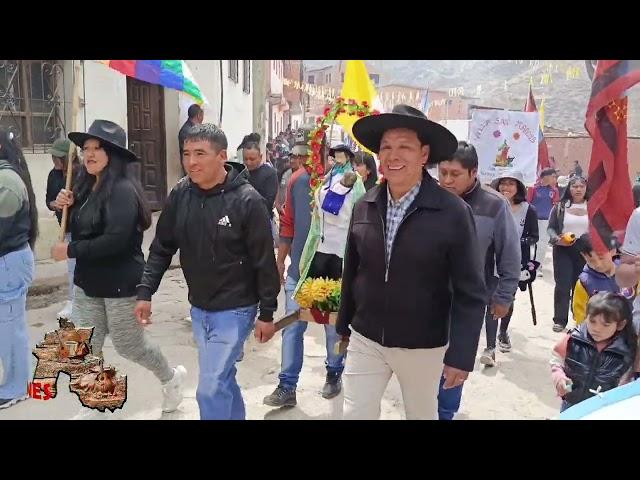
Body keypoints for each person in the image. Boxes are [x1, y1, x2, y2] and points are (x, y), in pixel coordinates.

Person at [336, 105, 487, 420]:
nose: (393, 155)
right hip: (366, 339)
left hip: (423, 345)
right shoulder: (365, 204)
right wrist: (344, 326)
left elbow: (470, 291)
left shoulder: (453, 212)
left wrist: (461, 354)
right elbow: (353, 270)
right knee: (353, 413)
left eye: (404, 146)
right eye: (386, 147)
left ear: (424, 154)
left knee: (421, 414)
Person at [134, 123, 280, 420]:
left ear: (222, 156)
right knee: (222, 378)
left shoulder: (248, 201)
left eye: (200, 153)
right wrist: (146, 291)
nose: (191, 162)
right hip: (199, 307)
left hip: (236, 308)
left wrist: (267, 312)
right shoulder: (181, 195)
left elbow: (264, 261)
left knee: (209, 387)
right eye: (187, 153)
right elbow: (162, 247)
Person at [51, 120, 186, 413]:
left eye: (97, 147)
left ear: (113, 154)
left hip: (120, 284)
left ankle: (171, 378)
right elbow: (77, 227)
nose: (89, 153)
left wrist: (71, 250)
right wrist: (63, 208)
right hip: (88, 283)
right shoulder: (84, 186)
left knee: (130, 345)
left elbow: (114, 240)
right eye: (86, 147)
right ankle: (94, 402)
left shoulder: (123, 191)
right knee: (86, 346)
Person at [436, 143, 521, 419]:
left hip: (466, 303)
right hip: (428, 297)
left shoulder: (494, 206)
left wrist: (504, 297)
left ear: (474, 172)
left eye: (455, 174)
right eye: (443, 172)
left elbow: (509, 255)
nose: (447, 181)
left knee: (453, 366)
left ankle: (445, 414)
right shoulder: (433, 198)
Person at [0, 128, 38, 409]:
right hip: (7, 261)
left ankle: (17, 387)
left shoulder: (7, 180)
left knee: (11, 329)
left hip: (9, 263)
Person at [550, 291, 637, 412]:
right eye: (592, 321)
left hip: (602, 409)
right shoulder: (574, 339)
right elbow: (556, 359)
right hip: (571, 403)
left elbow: (625, 382)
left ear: (620, 325)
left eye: (606, 324)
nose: (597, 329)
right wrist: (559, 378)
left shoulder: (626, 351)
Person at [491, 170, 539, 353]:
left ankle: (502, 331)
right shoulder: (492, 206)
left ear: (518, 187)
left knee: (508, 296)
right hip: (491, 258)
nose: (506, 187)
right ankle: (489, 338)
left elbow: (534, 236)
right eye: (503, 183)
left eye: (511, 183)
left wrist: (513, 242)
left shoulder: (529, 210)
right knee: (490, 295)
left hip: (515, 260)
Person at [548, 175, 590, 332]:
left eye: (581, 186)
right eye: (574, 186)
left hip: (585, 250)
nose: (578, 189)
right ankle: (560, 320)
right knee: (562, 285)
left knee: (581, 285)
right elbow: (551, 227)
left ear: (586, 189)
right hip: (563, 248)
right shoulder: (561, 206)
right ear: (569, 188)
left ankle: (579, 319)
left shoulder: (592, 207)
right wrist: (557, 239)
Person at [45, 138, 80, 320]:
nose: (54, 160)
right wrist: (56, 205)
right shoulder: (54, 175)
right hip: (65, 228)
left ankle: (77, 301)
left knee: (78, 266)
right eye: (53, 157)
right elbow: (49, 200)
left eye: (58, 157)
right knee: (72, 266)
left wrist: (71, 201)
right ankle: (74, 300)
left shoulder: (79, 174)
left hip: (80, 228)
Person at [572, 233, 633, 326]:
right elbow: (581, 319)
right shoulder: (584, 283)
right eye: (591, 260)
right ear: (583, 256)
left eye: (601, 258)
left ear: (613, 250)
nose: (597, 265)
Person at [527, 168, 560, 275]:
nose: (555, 179)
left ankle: (538, 266)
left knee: (542, 244)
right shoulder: (533, 188)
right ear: (546, 177)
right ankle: (527, 264)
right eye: (553, 177)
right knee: (531, 243)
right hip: (532, 219)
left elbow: (556, 205)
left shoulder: (554, 190)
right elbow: (527, 202)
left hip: (546, 221)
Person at [243, 141, 279, 220]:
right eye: (245, 159)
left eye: (252, 159)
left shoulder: (269, 174)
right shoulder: (241, 173)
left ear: (260, 157)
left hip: (262, 221)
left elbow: (268, 203)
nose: (248, 162)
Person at [275, 140, 304, 216]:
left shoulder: (304, 176)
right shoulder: (284, 172)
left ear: (301, 159)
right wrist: (277, 204)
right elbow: (278, 186)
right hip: (282, 212)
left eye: (295, 158)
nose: (292, 161)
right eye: (291, 158)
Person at [178, 104, 204, 174]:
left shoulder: (193, 128)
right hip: (190, 164)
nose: (203, 118)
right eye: (202, 115)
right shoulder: (188, 131)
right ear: (199, 115)